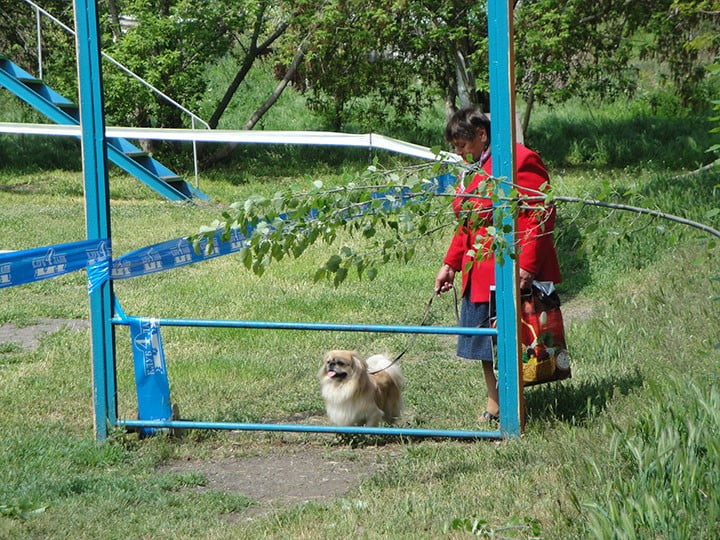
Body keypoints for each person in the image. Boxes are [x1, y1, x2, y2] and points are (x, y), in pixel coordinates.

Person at [434, 107, 561, 423]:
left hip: (509, 271)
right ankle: (495, 405)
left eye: (462, 143)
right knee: (485, 348)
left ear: (481, 134)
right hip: (479, 273)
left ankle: (514, 407)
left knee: (512, 344)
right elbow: (469, 223)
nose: (458, 151)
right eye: (455, 146)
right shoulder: (472, 169)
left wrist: (528, 267)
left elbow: (540, 215)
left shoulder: (518, 161)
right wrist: (451, 264)